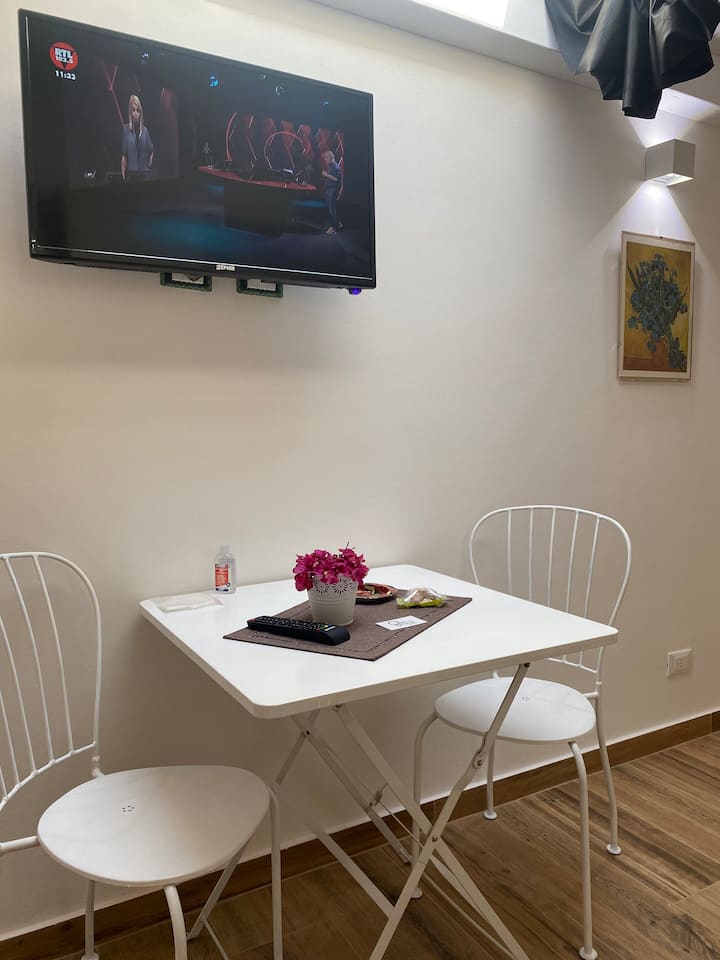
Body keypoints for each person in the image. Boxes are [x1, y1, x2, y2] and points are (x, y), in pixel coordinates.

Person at [121, 94, 153, 180]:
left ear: (140, 113)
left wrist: (149, 165)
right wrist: (123, 174)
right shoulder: (126, 130)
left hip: (144, 175)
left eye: (138, 110)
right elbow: (124, 155)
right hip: (131, 175)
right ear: (130, 112)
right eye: (133, 110)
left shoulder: (145, 131)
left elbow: (151, 150)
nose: (135, 113)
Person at [321, 149, 341, 234]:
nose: (325, 159)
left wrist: (326, 175)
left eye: (326, 157)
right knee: (330, 208)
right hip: (329, 189)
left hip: (333, 189)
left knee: (331, 208)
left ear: (330, 157)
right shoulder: (330, 165)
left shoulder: (335, 165)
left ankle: (334, 228)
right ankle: (337, 223)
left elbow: (337, 179)